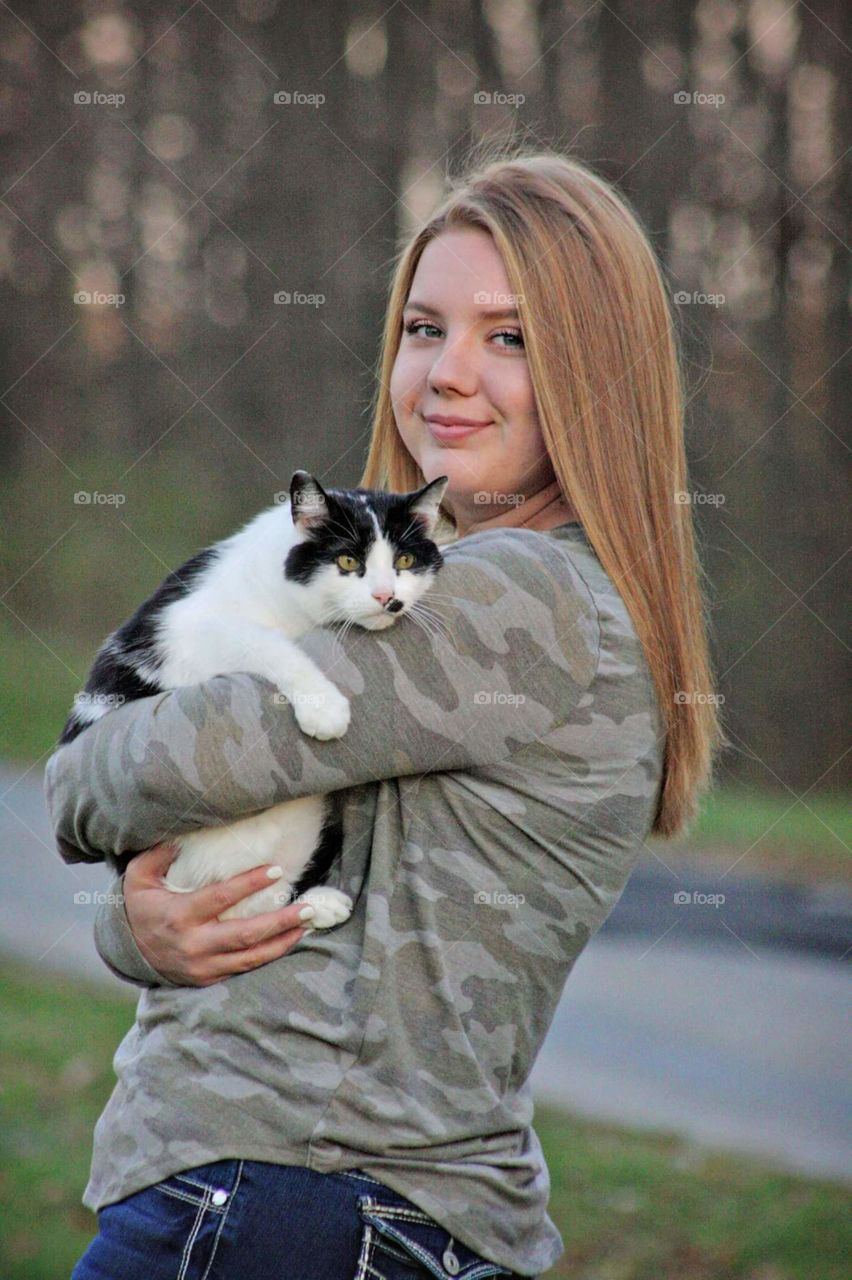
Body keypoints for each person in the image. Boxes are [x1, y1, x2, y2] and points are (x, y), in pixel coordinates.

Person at [46, 147, 723, 1279]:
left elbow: (123, 773)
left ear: (601, 373)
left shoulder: (515, 597)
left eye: (511, 337)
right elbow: (279, 873)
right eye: (424, 328)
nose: (449, 373)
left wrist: (79, 788)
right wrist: (138, 927)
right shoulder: (485, 584)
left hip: (290, 1198)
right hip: (355, 1206)